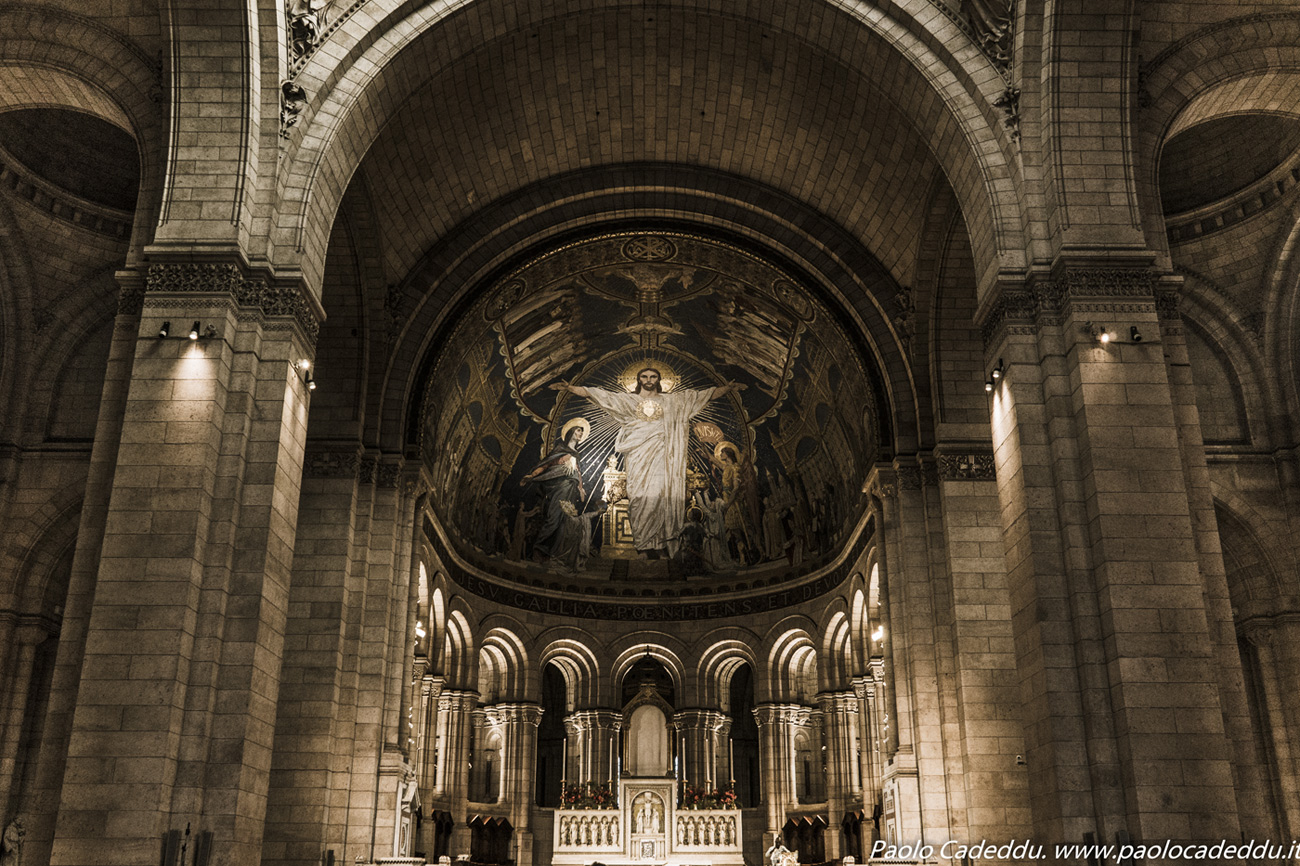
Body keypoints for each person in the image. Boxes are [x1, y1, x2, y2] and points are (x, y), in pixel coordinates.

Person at [552, 368, 744, 558]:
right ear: (638, 379)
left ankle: (660, 545)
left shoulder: (672, 401)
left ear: (659, 379)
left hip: (664, 459)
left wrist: (726, 389)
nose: (649, 379)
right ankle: (643, 545)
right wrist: (571, 388)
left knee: (663, 496)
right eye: (644, 376)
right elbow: (601, 396)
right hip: (638, 459)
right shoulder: (629, 401)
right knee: (639, 497)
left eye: (653, 376)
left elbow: (703, 396)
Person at [520, 418, 589, 560]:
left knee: (565, 522)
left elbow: (578, 472)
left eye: (582, 432)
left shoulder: (576, 454)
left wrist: (581, 488)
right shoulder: (561, 449)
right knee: (554, 519)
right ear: (571, 432)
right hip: (559, 487)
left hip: (570, 489)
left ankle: (555, 554)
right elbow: (546, 464)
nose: (580, 433)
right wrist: (533, 475)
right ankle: (539, 548)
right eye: (578, 430)